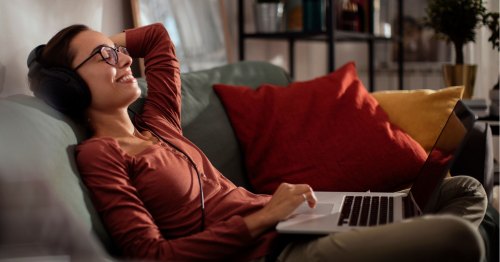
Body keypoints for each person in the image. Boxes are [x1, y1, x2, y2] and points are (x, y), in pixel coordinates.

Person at [28, 23, 487, 261]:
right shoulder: (100, 154)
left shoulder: (160, 123)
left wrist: (107, 48)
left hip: (297, 222)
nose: (124, 59)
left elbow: (157, 40)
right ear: (69, 84)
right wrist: (263, 216)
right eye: (105, 56)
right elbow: (151, 255)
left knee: (464, 189)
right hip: (273, 252)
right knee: (457, 237)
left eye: (119, 50)